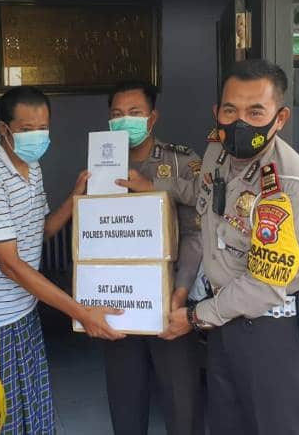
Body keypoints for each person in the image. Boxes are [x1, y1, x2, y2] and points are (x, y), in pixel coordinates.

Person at [124, 60, 299, 435]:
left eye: (256, 112)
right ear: (217, 112)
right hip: (227, 323)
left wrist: (193, 317)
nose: (240, 123)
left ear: (280, 118)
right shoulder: (217, 153)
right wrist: (155, 186)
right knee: (227, 424)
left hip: (277, 333)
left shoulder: (289, 186)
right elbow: (203, 194)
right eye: (230, 110)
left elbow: (266, 286)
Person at [0, 86, 124, 435]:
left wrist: (75, 199)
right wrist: (80, 312)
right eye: (27, 129)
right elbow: (10, 265)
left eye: (43, 128)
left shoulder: (32, 167)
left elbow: (40, 231)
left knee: (32, 406)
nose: (37, 136)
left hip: (22, 309)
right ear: (4, 129)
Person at [103, 82, 205, 435]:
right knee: (126, 407)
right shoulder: (102, 165)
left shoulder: (182, 161)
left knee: (181, 406)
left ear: (152, 117)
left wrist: (180, 292)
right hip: (119, 306)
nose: (125, 120)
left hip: (170, 305)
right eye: (117, 114)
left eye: (134, 113)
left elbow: (195, 234)